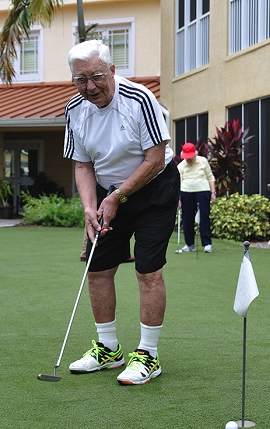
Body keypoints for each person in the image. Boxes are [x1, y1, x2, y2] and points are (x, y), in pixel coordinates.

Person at [62, 40, 179, 384]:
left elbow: (155, 159)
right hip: (107, 189)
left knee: (148, 271)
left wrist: (118, 197)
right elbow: (82, 164)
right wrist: (89, 207)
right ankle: (108, 348)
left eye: (97, 76)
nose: (91, 87)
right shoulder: (74, 109)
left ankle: (148, 355)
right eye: (80, 80)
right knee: (98, 269)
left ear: (112, 70)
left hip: (154, 187)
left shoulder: (140, 99)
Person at [176, 142, 217, 253]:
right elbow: (177, 183)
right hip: (186, 192)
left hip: (203, 191)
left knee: (204, 216)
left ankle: (207, 244)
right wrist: (177, 199)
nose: (188, 159)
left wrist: (213, 193)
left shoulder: (203, 161)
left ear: (195, 154)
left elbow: (210, 177)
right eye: (186, 157)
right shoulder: (181, 166)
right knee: (187, 218)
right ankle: (189, 244)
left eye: (190, 157)